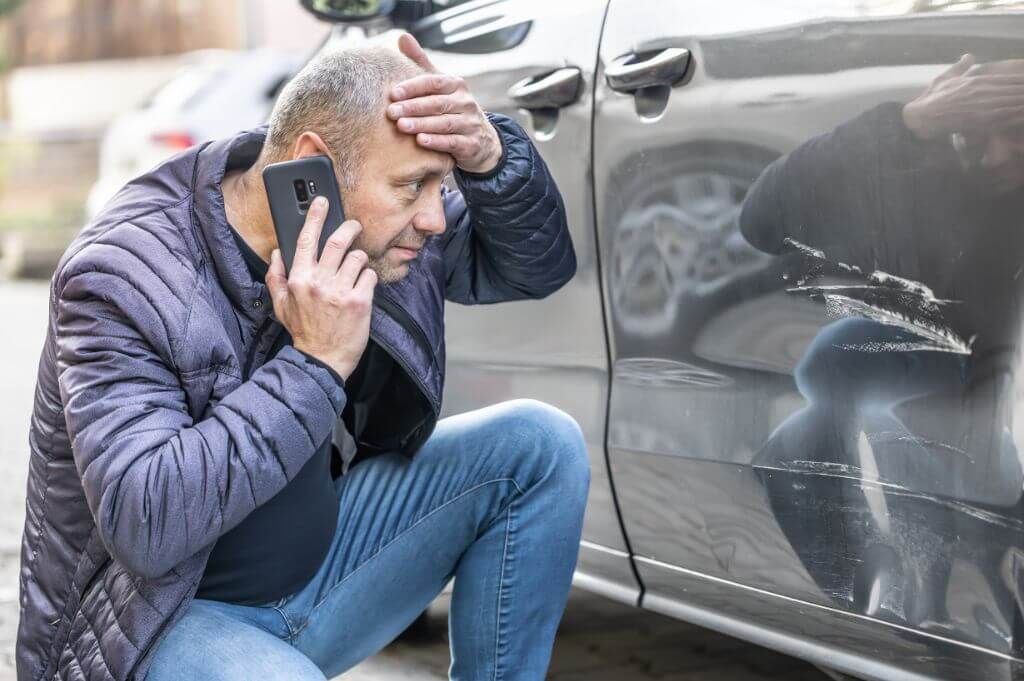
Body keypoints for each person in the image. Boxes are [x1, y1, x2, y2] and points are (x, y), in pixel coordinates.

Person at [16, 34, 590, 681]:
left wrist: (492, 161)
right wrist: (315, 363)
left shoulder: (373, 225)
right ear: (313, 166)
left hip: (319, 581)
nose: (434, 218)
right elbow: (146, 523)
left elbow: (534, 269)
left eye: (443, 183)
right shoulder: (124, 272)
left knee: (539, 446)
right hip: (158, 628)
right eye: (413, 187)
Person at [739, 56, 1024, 640]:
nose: (995, 155)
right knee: (799, 437)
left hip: (987, 425)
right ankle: (882, 603)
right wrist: (908, 123)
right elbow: (762, 220)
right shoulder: (942, 172)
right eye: (981, 135)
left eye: (1017, 134)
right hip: (954, 410)